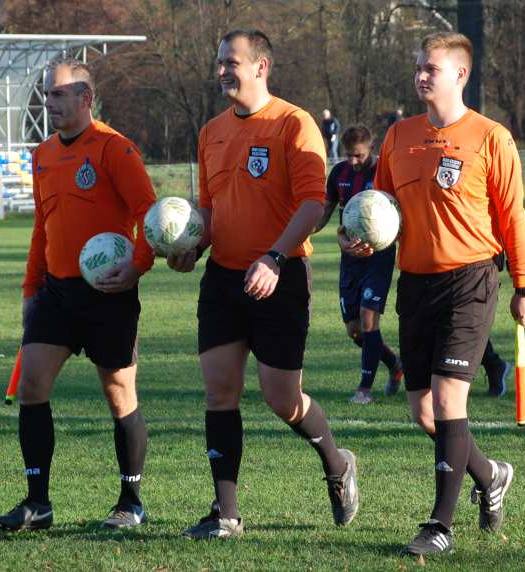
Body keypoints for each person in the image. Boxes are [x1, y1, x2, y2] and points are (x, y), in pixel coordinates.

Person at [167, 29, 359, 540]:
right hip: (224, 278)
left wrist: (274, 257)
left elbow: (313, 203)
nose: (223, 71)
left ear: (261, 66)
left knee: (282, 398)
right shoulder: (211, 132)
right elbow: (209, 209)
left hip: (282, 275)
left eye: (232, 62)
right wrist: (193, 246)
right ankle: (226, 512)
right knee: (219, 392)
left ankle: (337, 463)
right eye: (219, 63)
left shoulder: (294, 124)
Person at [372, 32, 525, 557]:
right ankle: (490, 475)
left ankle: (439, 525)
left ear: (460, 75)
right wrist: (361, 236)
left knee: (448, 400)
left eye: (432, 68)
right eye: (418, 66)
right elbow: (380, 211)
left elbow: (513, 215)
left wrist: (524, 283)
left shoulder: (491, 137)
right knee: (425, 413)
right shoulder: (398, 136)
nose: (422, 75)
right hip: (415, 283)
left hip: (471, 279)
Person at [0, 57, 157, 533]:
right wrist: (29, 289)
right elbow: (42, 227)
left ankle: (131, 501)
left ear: (86, 98)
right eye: (46, 94)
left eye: (59, 93)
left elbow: (149, 212)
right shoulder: (42, 154)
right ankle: (37, 502)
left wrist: (137, 267)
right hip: (56, 293)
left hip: (109, 294)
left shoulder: (115, 150)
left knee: (118, 393)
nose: (50, 102)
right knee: (32, 387)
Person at [314, 125, 404, 404]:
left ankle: (364, 389)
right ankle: (395, 364)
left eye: (359, 156)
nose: (353, 162)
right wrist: (298, 234)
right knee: (354, 330)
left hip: (379, 257)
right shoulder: (338, 174)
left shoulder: (383, 174)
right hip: (350, 259)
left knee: (368, 319)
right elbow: (324, 214)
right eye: (349, 155)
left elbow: (400, 218)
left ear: (371, 149)